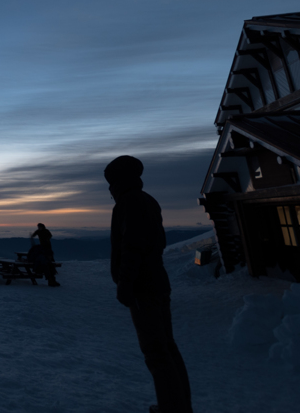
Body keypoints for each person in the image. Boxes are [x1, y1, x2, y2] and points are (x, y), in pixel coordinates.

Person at [106, 155, 192, 413]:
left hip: (143, 287)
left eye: (111, 183)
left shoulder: (128, 202)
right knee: (167, 346)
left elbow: (132, 246)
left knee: (156, 352)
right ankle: (179, 405)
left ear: (119, 181)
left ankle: (172, 408)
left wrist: (125, 283)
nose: (109, 189)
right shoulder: (147, 200)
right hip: (157, 281)